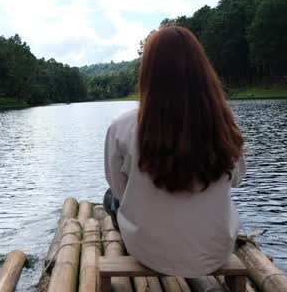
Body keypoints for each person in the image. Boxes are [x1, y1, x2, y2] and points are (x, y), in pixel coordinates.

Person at [103, 25, 246, 277]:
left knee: (109, 199)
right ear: (202, 70)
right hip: (215, 252)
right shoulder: (225, 125)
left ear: (149, 74)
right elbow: (236, 180)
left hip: (150, 253)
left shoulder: (121, 127)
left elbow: (119, 190)